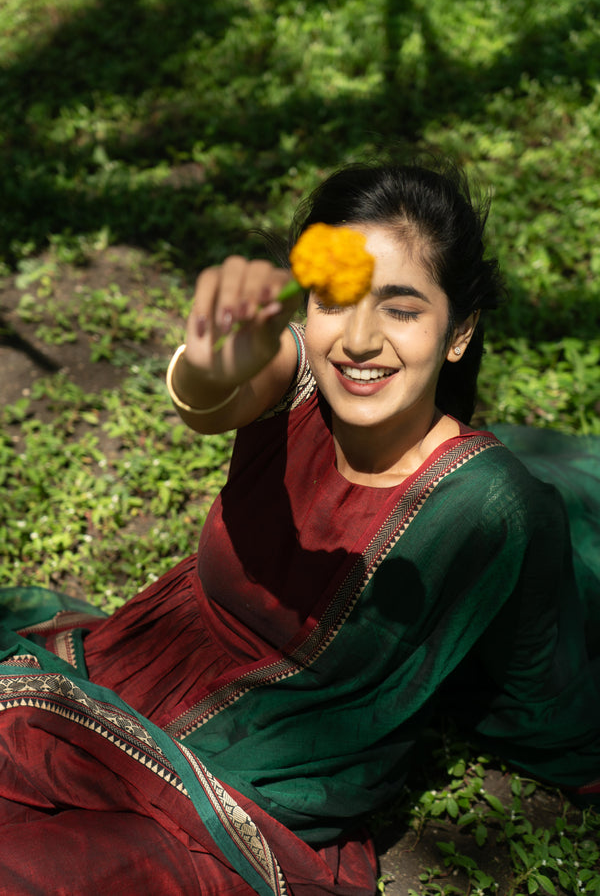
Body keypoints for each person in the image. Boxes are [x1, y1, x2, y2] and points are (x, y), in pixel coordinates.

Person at [1, 159, 599, 896]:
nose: (358, 340)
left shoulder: (487, 504)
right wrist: (213, 364)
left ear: (459, 331)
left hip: (249, 794)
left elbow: (539, 684)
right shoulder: (293, 374)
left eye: (402, 310)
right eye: (334, 302)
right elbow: (210, 396)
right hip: (116, 676)